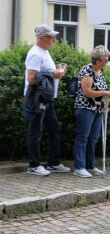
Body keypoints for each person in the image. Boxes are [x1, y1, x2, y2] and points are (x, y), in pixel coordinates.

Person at [23, 24, 71, 176]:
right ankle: (34, 165)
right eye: (52, 37)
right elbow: (31, 79)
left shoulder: (44, 52)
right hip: (37, 98)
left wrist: (55, 71)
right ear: (43, 38)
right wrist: (54, 74)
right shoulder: (36, 54)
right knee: (35, 132)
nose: (54, 40)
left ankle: (54, 163)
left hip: (47, 98)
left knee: (54, 130)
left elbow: (43, 73)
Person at [72, 45, 110, 178]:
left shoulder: (100, 72)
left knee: (93, 139)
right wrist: (105, 92)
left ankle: (90, 166)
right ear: (98, 60)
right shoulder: (87, 71)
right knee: (82, 137)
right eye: (105, 59)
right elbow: (87, 92)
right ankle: (79, 167)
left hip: (97, 109)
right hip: (85, 108)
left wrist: (105, 100)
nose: (107, 61)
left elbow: (100, 92)